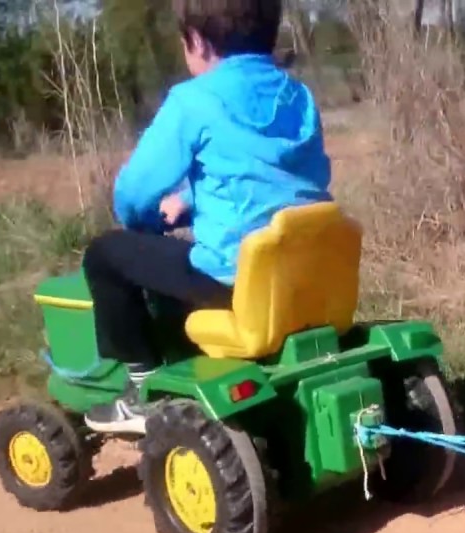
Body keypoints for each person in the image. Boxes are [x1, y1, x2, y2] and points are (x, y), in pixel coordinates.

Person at [82, 0, 331, 435]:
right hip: (304, 273)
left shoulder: (193, 101)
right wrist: (191, 203)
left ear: (196, 41)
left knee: (105, 255)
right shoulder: (298, 96)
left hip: (232, 280)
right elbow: (276, 180)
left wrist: (143, 218)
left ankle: (142, 388)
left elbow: (132, 192)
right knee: (184, 254)